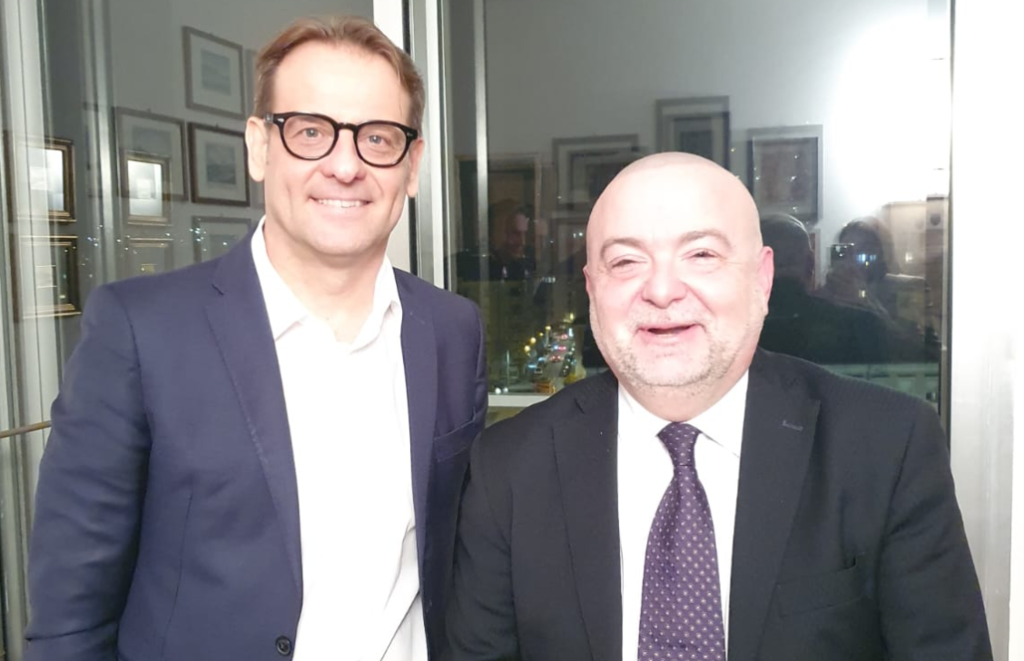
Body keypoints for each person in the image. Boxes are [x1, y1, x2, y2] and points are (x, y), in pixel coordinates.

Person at [26, 16, 486, 661]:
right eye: (310, 132)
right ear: (259, 148)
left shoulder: (453, 331)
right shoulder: (140, 332)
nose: (345, 166)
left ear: (411, 165)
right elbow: (69, 619)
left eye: (378, 138)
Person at [444, 153, 991, 661]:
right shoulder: (509, 468)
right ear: (592, 289)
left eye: (701, 254)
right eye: (626, 261)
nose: (662, 290)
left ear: (762, 278)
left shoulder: (885, 447)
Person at [758, 213, 894, 364]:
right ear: (811, 263)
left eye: (863, 252)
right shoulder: (858, 321)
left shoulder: (743, 322)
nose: (852, 260)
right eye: (844, 252)